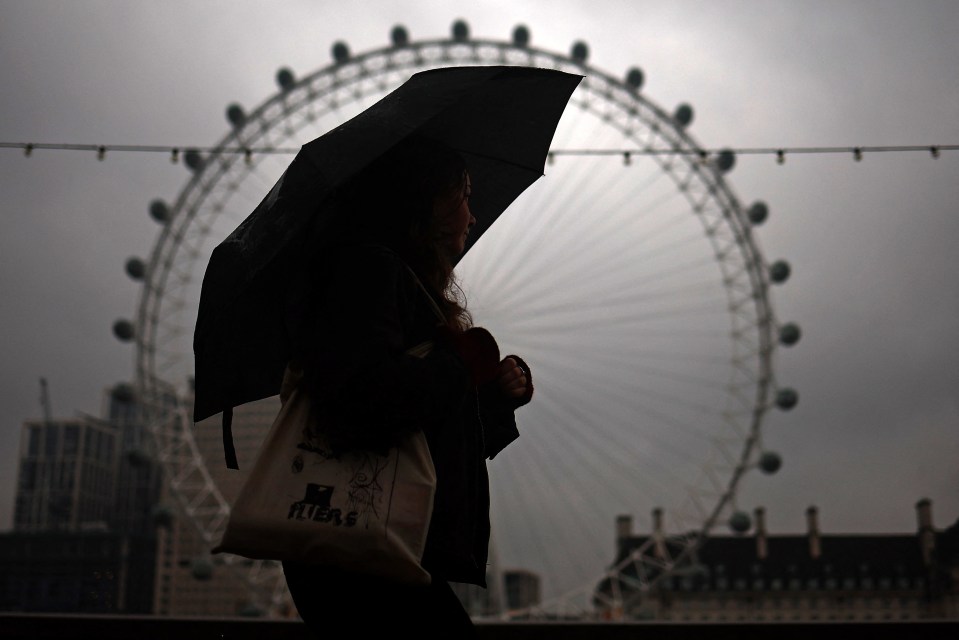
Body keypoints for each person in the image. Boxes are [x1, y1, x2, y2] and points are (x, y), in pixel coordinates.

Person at [280, 135, 534, 636]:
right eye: (463, 195)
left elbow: (421, 432)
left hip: (374, 543)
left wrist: (495, 398)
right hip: (358, 550)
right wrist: (461, 366)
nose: (472, 215)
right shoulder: (368, 272)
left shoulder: (399, 283)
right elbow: (361, 400)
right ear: (425, 202)